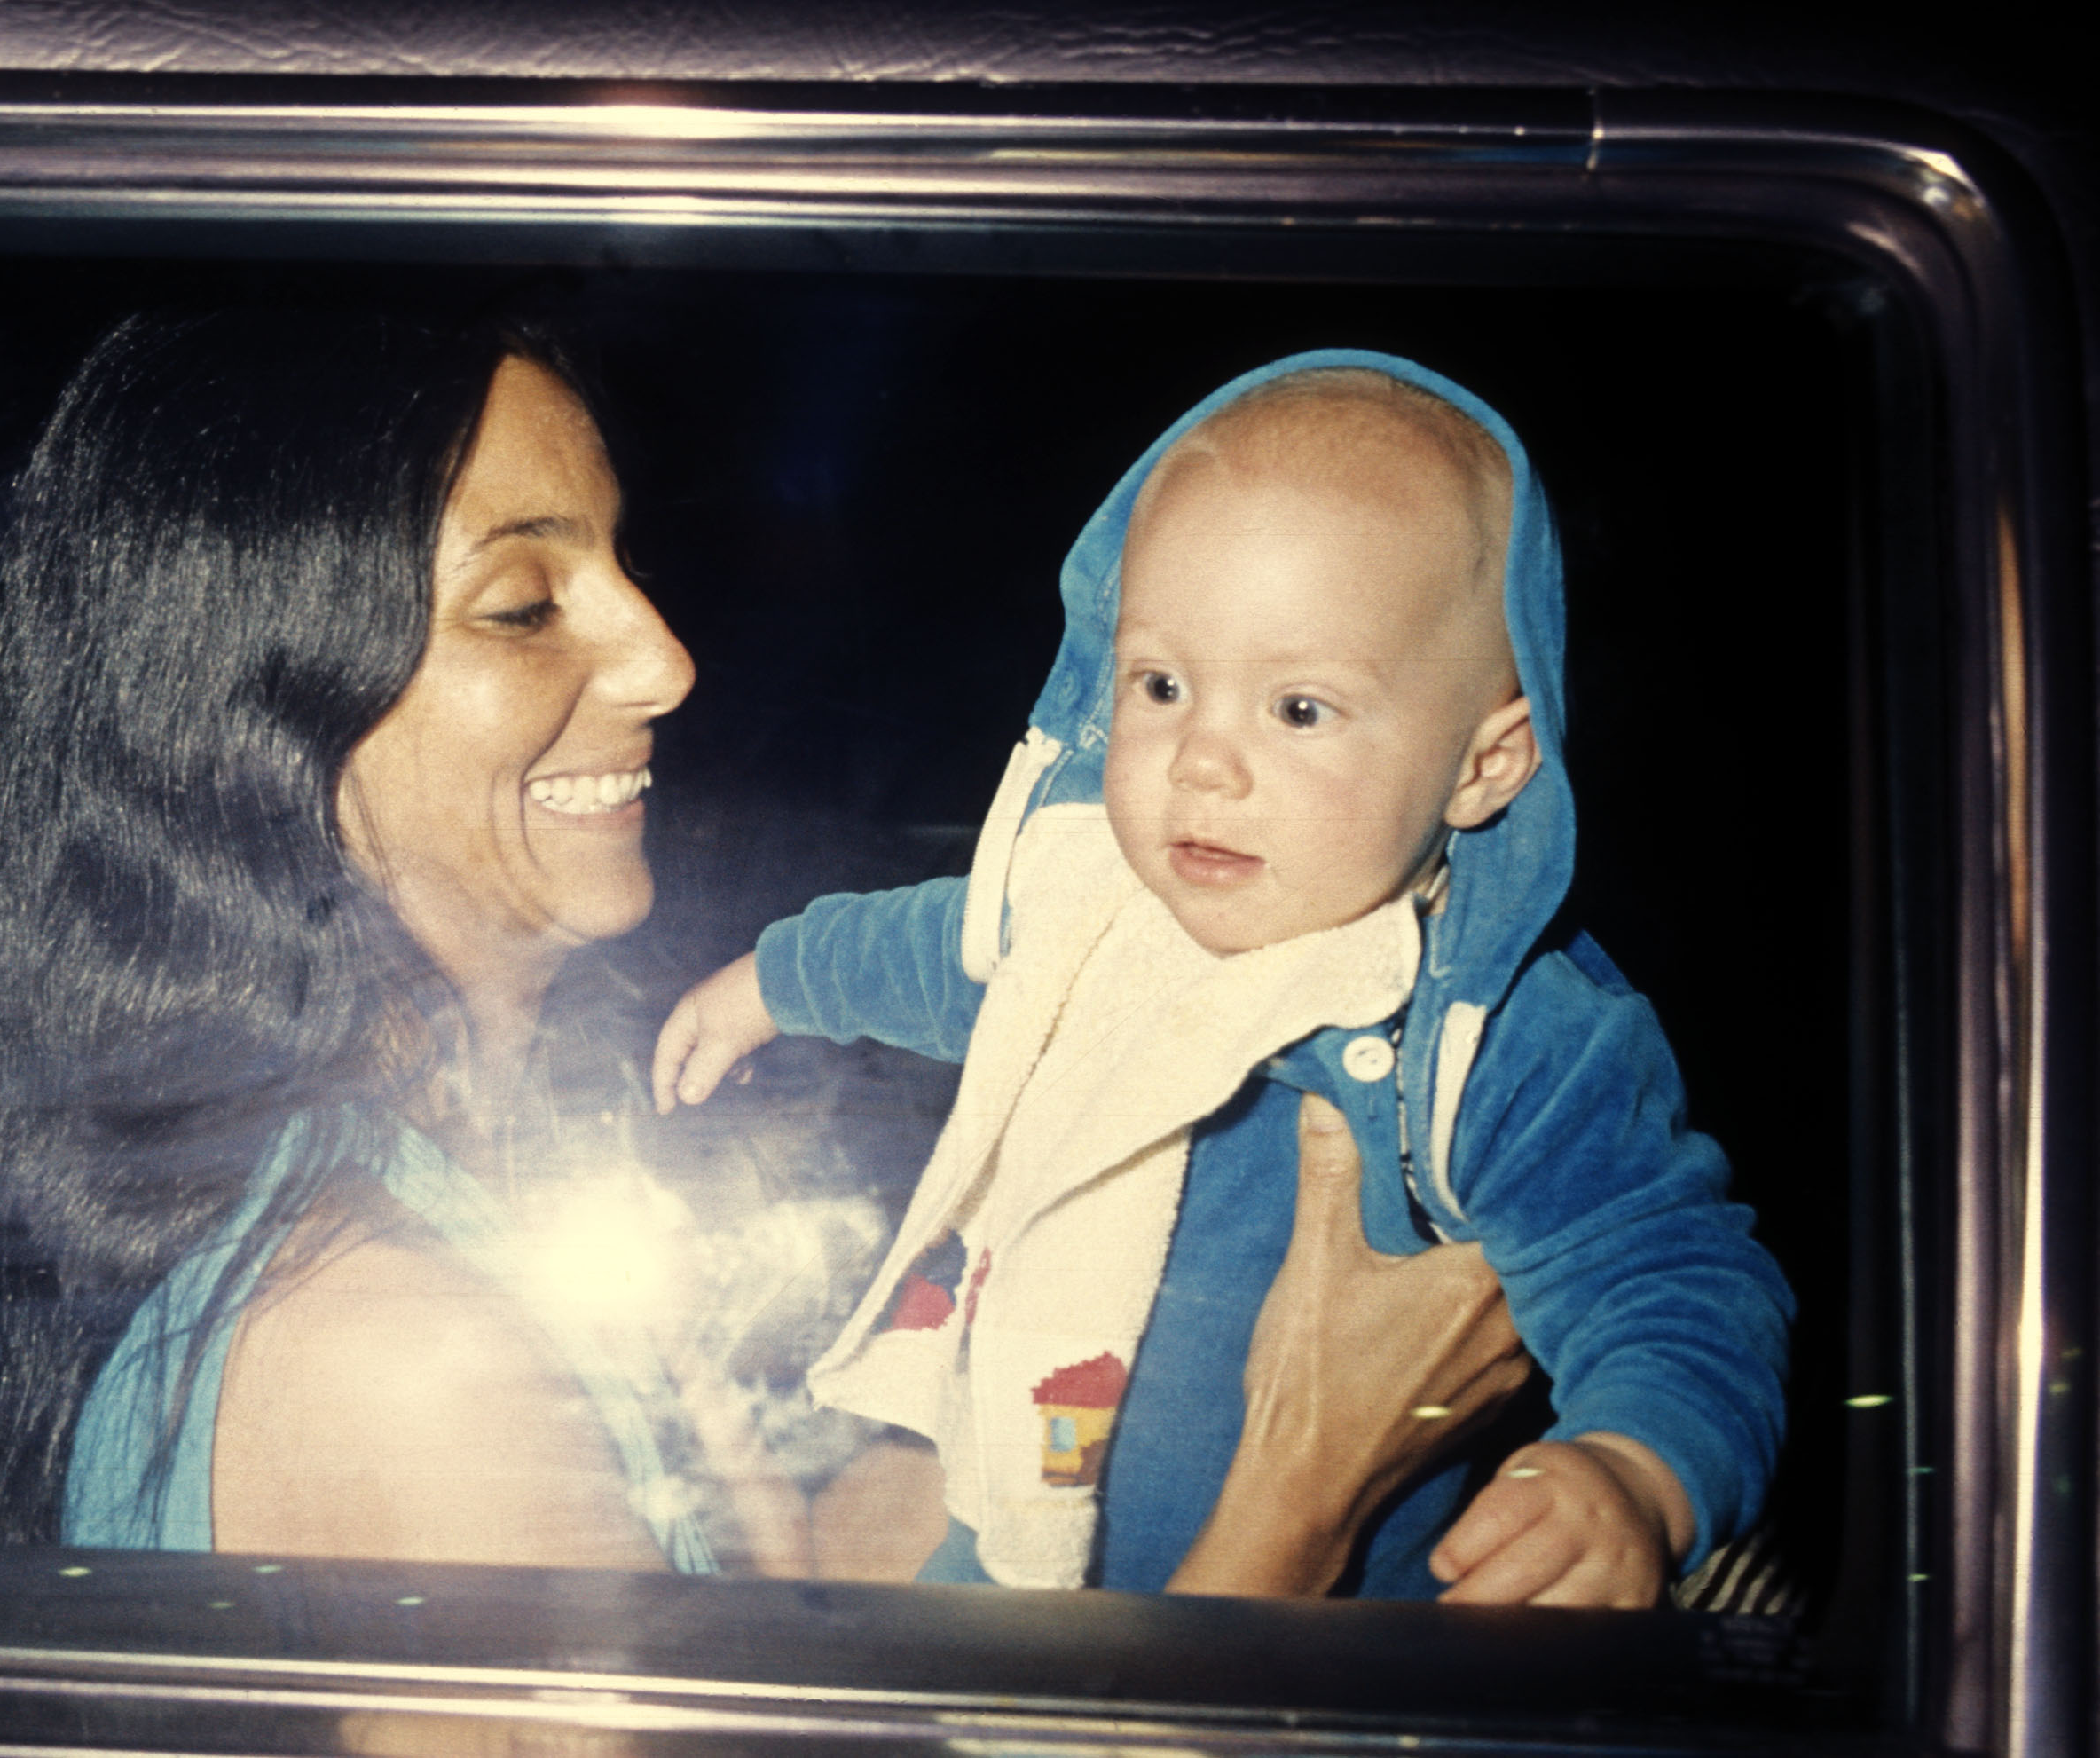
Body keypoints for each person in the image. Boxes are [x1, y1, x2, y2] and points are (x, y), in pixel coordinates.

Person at [0, 311, 1532, 1580]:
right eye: (523, 604)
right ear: (256, 717)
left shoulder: (476, 1170)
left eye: (620, 562)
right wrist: (1305, 1479)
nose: (667, 659)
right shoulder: (395, 1354)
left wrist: (1087, 1379)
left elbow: (766, 1592)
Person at [653, 350, 1793, 1606]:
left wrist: (1635, 1470)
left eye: (1299, 709)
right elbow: (947, 948)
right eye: (1162, 684)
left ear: (1485, 764)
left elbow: (1674, 1275)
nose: (1202, 760)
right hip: (994, 1550)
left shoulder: (1498, 1035)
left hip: (1317, 1651)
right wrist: (774, 976)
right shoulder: (1091, 913)